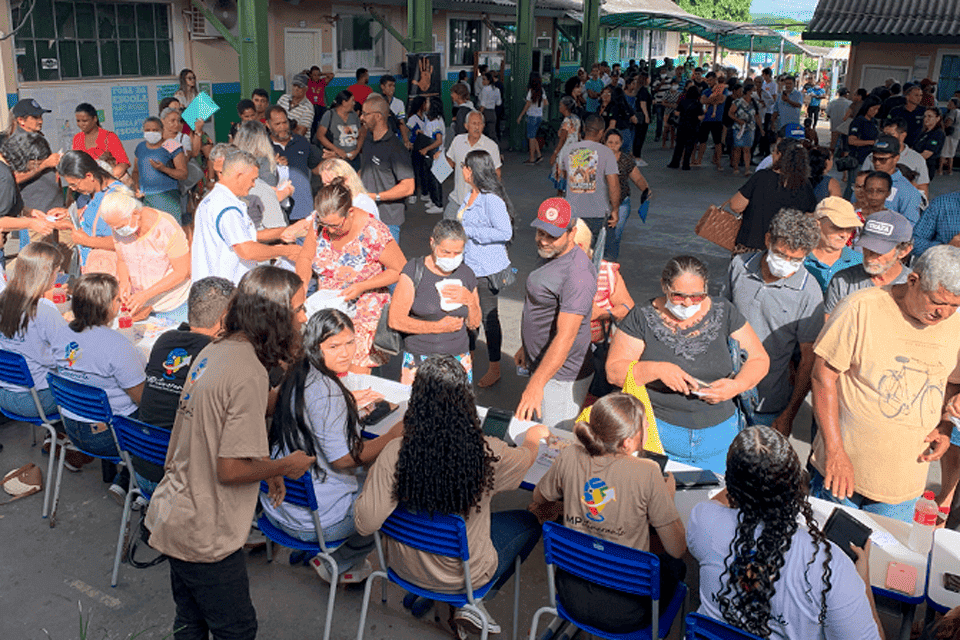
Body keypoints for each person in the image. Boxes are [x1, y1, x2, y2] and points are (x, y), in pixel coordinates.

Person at [145, 266, 316, 640]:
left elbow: (218, 431)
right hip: (206, 531)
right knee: (235, 629)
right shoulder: (247, 371)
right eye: (299, 308)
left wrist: (263, 465)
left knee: (191, 622)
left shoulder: (217, 351)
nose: (304, 317)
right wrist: (285, 465)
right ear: (276, 314)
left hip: (177, 511)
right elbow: (229, 468)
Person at [355, 355, 550, 638]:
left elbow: (365, 523)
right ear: (467, 401)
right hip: (464, 577)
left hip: (404, 567)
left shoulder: (395, 452)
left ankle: (454, 603)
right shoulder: (486, 452)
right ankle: (472, 602)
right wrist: (534, 436)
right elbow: (525, 460)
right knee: (528, 520)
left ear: (417, 402)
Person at [689, 427, 884, 640]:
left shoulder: (704, 521)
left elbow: (722, 500)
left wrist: (749, 474)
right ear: (795, 485)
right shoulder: (830, 566)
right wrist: (862, 582)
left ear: (732, 482)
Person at [810, 245, 960, 521]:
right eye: (937, 302)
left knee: (883, 562)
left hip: (904, 488)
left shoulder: (957, 324)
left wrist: (945, 425)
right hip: (842, 475)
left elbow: (952, 381)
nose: (944, 314)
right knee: (827, 557)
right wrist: (834, 451)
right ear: (913, 281)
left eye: (954, 305)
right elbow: (823, 376)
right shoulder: (860, 308)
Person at [528, 392, 686, 635]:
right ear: (628, 443)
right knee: (676, 567)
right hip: (627, 611)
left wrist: (566, 504)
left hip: (570, 595)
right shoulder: (648, 472)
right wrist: (668, 499)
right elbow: (677, 548)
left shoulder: (570, 455)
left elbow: (539, 497)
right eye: (644, 426)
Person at [262, 309, 403, 582]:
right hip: (314, 525)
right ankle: (339, 561)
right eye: (334, 346)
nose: (346, 353)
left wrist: (346, 398)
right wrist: (393, 435)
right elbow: (344, 460)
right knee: (390, 495)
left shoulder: (296, 374)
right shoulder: (327, 392)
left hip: (277, 510)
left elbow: (312, 408)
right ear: (315, 347)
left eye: (350, 343)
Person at [605, 255, 768, 473]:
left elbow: (759, 359)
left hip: (719, 438)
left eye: (697, 296)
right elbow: (614, 371)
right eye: (679, 296)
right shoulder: (641, 317)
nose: (688, 303)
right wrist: (657, 370)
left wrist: (736, 386)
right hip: (659, 437)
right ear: (665, 287)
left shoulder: (724, 311)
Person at [725, 209, 824, 437]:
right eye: (780, 254)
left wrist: (789, 413)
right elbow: (723, 317)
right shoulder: (739, 266)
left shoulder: (809, 293)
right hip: (726, 395)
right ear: (768, 240)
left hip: (768, 404)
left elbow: (808, 359)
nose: (785, 264)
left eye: (795, 259)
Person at [295, 179, 406, 374]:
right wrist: (302, 286)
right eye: (325, 224)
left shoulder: (373, 231)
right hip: (330, 309)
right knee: (328, 370)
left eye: (336, 225)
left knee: (354, 375)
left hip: (364, 310)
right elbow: (305, 257)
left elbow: (399, 269)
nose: (329, 230)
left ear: (350, 213)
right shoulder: (318, 224)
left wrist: (363, 286)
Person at [53, 273, 146, 502]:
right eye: (116, 299)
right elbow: (142, 400)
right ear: (105, 305)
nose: (120, 304)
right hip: (110, 436)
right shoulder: (117, 345)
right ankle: (137, 481)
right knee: (161, 416)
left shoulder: (59, 334)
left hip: (71, 427)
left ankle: (124, 478)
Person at [514, 198, 596, 426]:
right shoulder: (550, 255)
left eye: (553, 236)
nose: (544, 241)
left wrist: (536, 384)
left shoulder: (577, 275)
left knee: (550, 444)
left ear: (572, 233)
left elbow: (566, 336)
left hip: (561, 378)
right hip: (542, 364)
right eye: (541, 232)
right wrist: (526, 346)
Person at [389, 220, 480, 384]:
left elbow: (474, 324)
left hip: (458, 359)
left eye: (457, 253)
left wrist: (470, 301)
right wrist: (437, 327)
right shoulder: (414, 271)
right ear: (432, 243)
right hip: (420, 358)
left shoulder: (467, 274)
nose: (452, 258)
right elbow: (395, 320)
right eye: (445, 252)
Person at [139, 277, 235, 431]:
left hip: (146, 441)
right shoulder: (219, 353)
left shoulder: (165, 339)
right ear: (225, 318)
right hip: (182, 447)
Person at [192, 149, 300, 284]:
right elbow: (247, 250)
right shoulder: (227, 207)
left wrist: (284, 232)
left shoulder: (212, 200)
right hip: (224, 290)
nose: (253, 185)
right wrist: (285, 250)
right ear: (239, 175)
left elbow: (245, 237)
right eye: (253, 179)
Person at [456, 150, 514, 388]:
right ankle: (466, 360)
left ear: (473, 170)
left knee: (489, 318)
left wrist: (470, 232)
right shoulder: (469, 195)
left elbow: (505, 233)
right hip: (467, 265)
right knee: (467, 315)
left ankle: (495, 367)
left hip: (486, 269)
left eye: (465, 167)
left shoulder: (491, 200)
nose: (462, 171)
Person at [98, 188, 191, 323]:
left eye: (119, 226)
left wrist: (146, 295)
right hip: (141, 304)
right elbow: (122, 259)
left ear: (135, 214)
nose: (116, 231)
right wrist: (124, 282)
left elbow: (182, 272)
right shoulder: (120, 228)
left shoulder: (166, 226)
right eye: (113, 227)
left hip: (173, 305)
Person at [0, 242, 67, 422]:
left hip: (5, 395)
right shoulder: (43, 309)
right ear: (46, 274)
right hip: (37, 400)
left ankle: (55, 439)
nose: (58, 277)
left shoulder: (4, 299)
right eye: (57, 272)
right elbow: (66, 356)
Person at [728, 140, 816, 252]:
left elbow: (736, 205)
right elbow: (809, 217)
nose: (772, 155)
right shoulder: (805, 185)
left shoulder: (762, 177)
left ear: (780, 155)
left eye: (774, 152)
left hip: (751, 245)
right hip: (784, 250)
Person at [826, 211, 914, 317]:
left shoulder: (915, 286)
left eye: (879, 250)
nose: (870, 256)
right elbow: (831, 328)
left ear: (904, 251)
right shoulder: (843, 281)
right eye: (867, 247)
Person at [54, 150, 124, 275]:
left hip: (111, 273)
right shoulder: (97, 191)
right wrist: (69, 215)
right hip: (94, 268)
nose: (74, 189)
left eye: (74, 185)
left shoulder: (118, 197)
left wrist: (87, 241)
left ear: (89, 176)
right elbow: (96, 214)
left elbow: (126, 242)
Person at [358, 95, 415, 242]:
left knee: (388, 264)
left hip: (388, 220)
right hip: (365, 216)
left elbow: (408, 187)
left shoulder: (396, 149)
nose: (361, 117)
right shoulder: (368, 141)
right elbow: (364, 171)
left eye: (365, 114)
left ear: (377, 116)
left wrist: (376, 197)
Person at [570, 220, 635, 345]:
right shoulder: (550, 271)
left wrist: (602, 313)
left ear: (580, 246)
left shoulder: (606, 271)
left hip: (595, 347)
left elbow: (628, 307)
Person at [8, 100, 63, 239]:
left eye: (41, 117)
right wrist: (45, 164)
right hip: (36, 211)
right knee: (39, 257)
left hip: (52, 207)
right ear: (21, 120)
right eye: (35, 117)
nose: (40, 121)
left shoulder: (38, 138)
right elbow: (15, 178)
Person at [562, 114, 619, 242]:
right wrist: (615, 210)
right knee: (597, 255)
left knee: (575, 254)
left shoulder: (569, 150)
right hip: (598, 213)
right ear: (601, 132)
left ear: (584, 129)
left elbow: (566, 177)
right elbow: (613, 184)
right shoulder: (606, 153)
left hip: (573, 213)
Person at [267, 105, 322, 223]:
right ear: (268, 125)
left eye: (284, 122)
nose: (282, 127)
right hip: (276, 213)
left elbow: (314, 167)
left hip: (304, 210)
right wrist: (272, 164)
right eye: (277, 124)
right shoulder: (264, 146)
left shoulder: (301, 141)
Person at [601, 129, 650, 261]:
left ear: (621, 143)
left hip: (622, 203)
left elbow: (638, 178)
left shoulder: (626, 159)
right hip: (601, 203)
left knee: (614, 236)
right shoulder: (597, 158)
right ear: (604, 142)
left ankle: (610, 264)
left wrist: (646, 190)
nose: (613, 146)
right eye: (610, 142)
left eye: (616, 143)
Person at [444, 110, 502, 221]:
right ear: (466, 126)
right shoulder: (458, 141)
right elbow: (450, 162)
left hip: (478, 204)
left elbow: (497, 173)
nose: (477, 127)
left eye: (480, 124)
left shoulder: (491, 146)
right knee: (448, 232)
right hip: (457, 200)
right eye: (474, 124)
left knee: (471, 236)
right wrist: (436, 165)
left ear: (483, 126)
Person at [804, 196, 865, 293]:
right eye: (837, 227)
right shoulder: (797, 258)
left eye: (849, 228)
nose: (844, 235)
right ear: (817, 225)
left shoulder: (860, 263)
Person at [132, 116, 187, 222]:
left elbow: (183, 174)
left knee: (170, 232)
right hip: (147, 199)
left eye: (155, 130)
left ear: (162, 130)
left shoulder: (171, 145)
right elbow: (135, 171)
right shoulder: (141, 147)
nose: (151, 133)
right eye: (147, 130)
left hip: (168, 198)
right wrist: (136, 186)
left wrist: (164, 169)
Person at [861, 118, 930, 198]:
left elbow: (923, 189)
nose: (877, 162)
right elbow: (861, 183)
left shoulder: (917, 159)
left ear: (903, 135)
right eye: (884, 134)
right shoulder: (872, 157)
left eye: (891, 135)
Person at [868, 136, 924, 225]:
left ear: (896, 158)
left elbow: (911, 224)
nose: (877, 163)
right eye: (874, 159)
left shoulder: (908, 191)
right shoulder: (864, 182)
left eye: (883, 160)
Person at [407, 96, 445, 214]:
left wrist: (426, 149)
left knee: (435, 180)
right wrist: (422, 133)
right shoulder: (433, 120)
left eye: (428, 102)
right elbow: (430, 135)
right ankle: (434, 201)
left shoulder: (435, 122)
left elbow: (438, 141)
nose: (426, 104)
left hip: (435, 154)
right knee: (430, 179)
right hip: (432, 155)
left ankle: (438, 204)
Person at [72, 103, 129, 180]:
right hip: (87, 185)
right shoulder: (77, 138)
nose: (81, 124)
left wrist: (109, 180)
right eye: (78, 121)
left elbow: (123, 163)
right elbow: (77, 165)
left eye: (85, 121)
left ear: (95, 119)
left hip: (109, 183)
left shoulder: (109, 137)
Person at [317, 90, 364, 171]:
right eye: (352, 100)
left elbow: (361, 135)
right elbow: (320, 135)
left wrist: (356, 151)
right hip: (336, 158)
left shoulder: (354, 115)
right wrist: (337, 150)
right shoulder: (329, 115)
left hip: (354, 158)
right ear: (344, 102)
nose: (354, 103)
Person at [549, 97, 582, 195]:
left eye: (561, 105)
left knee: (562, 176)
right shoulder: (576, 118)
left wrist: (555, 153)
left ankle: (561, 199)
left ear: (565, 107)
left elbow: (562, 139)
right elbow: (579, 135)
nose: (559, 107)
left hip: (565, 151)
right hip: (575, 150)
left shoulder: (566, 121)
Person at [695, 72, 727, 170]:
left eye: (711, 80)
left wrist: (709, 100)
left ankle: (718, 162)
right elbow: (702, 101)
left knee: (718, 142)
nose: (709, 82)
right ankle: (699, 160)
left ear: (715, 79)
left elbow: (721, 100)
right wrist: (713, 100)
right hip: (706, 118)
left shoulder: (723, 89)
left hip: (717, 119)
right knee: (702, 140)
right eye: (708, 80)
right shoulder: (706, 90)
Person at [666, 85, 704, 171]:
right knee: (689, 146)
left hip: (682, 126)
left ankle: (675, 163)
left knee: (679, 146)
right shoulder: (698, 104)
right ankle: (685, 164)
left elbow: (677, 113)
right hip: (693, 127)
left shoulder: (683, 101)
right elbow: (700, 117)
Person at [729, 82, 761, 175]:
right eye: (753, 91)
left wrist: (761, 128)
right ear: (748, 91)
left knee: (747, 149)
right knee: (738, 148)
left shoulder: (755, 103)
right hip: (738, 128)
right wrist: (738, 120)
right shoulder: (737, 102)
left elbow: (757, 116)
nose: (755, 92)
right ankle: (736, 167)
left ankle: (747, 169)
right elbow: (730, 113)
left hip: (750, 128)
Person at [517, 73, 548, 165]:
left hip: (531, 116)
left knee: (531, 137)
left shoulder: (531, 92)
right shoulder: (542, 90)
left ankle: (531, 158)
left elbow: (527, 105)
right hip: (539, 116)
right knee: (533, 136)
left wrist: (520, 115)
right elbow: (546, 103)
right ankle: (539, 155)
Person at [847, 96, 882, 165]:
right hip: (858, 159)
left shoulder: (874, 122)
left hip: (870, 159)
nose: (876, 112)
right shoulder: (858, 121)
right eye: (874, 109)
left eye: (878, 109)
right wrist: (871, 142)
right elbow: (851, 141)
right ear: (867, 107)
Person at [915, 107, 946, 183]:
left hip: (926, 167)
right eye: (925, 116)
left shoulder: (938, 133)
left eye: (930, 116)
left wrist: (910, 160)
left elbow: (927, 154)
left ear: (937, 118)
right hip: (916, 166)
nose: (926, 119)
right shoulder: (923, 132)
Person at [477, 72, 502, 141]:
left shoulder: (485, 89)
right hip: (493, 113)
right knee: (492, 133)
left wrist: (478, 114)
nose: (482, 81)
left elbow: (483, 104)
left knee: (484, 134)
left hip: (485, 113)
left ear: (488, 81)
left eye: (484, 79)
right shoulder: (497, 90)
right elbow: (498, 103)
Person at [826, 87, 852, 151]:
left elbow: (828, 114)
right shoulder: (850, 103)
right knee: (844, 145)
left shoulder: (832, 102)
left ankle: (831, 157)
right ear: (846, 94)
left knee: (833, 144)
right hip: (845, 128)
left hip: (834, 126)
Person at [942, 99, 960, 176]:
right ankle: (950, 170)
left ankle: (940, 170)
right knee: (951, 153)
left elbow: (948, 123)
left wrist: (942, 126)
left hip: (949, 134)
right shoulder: (959, 111)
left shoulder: (953, 112)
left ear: (955, 105)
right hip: (957, 135)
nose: (948, 104)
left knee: (944, 152)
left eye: (950, 103)